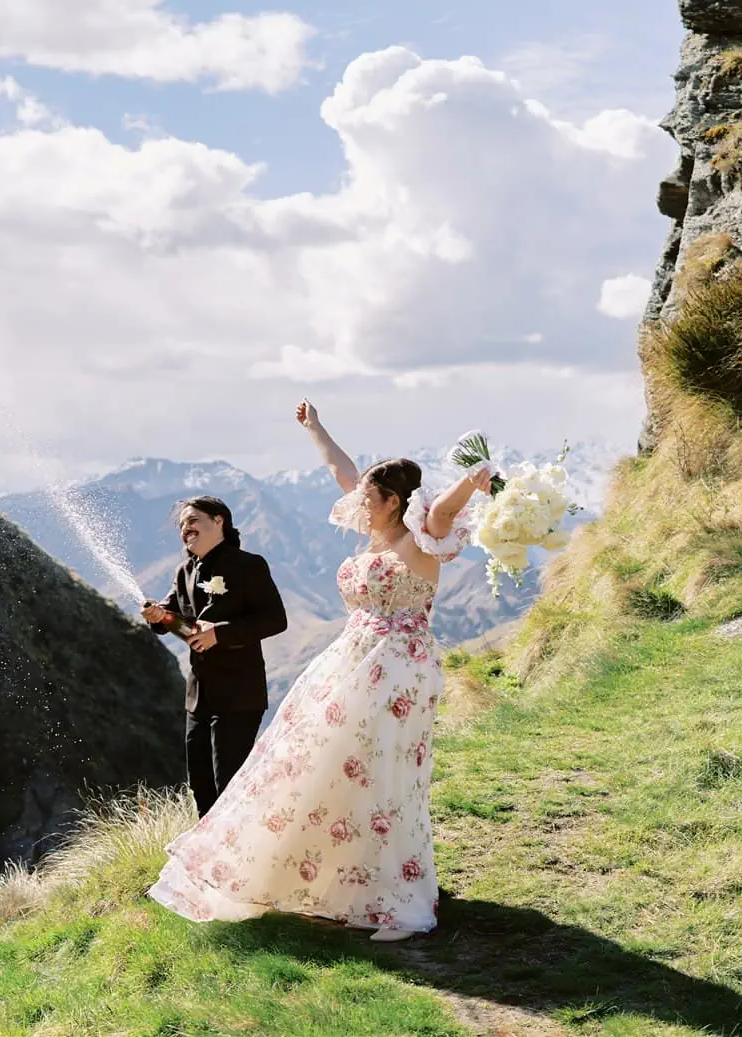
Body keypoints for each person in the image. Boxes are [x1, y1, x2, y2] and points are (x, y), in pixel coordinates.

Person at [148, 401, 490, 942]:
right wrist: (315, 428)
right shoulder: (374, 528)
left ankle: (394, 895)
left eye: (370, 499)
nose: (359, 503)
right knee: (319, 762)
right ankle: (327, 876)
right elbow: (342, 471)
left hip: (399, 667)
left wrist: (476, 479)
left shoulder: (422, 535)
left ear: (394, 502)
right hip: (349, 660)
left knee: (384, 771)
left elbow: (445, 509)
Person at [141, 496, 288, 817]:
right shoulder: (183, 571)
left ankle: (244, 853)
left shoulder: (249, 565)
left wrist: (219, 633)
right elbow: (172, 618)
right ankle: (208, 858)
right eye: (182, 525)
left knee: (230, 784)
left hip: (239, 695)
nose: (186, 528)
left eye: (193, 520)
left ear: (219, 520)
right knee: (201, 785)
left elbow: (276, 620)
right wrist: (157, 616)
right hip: (198, 698)